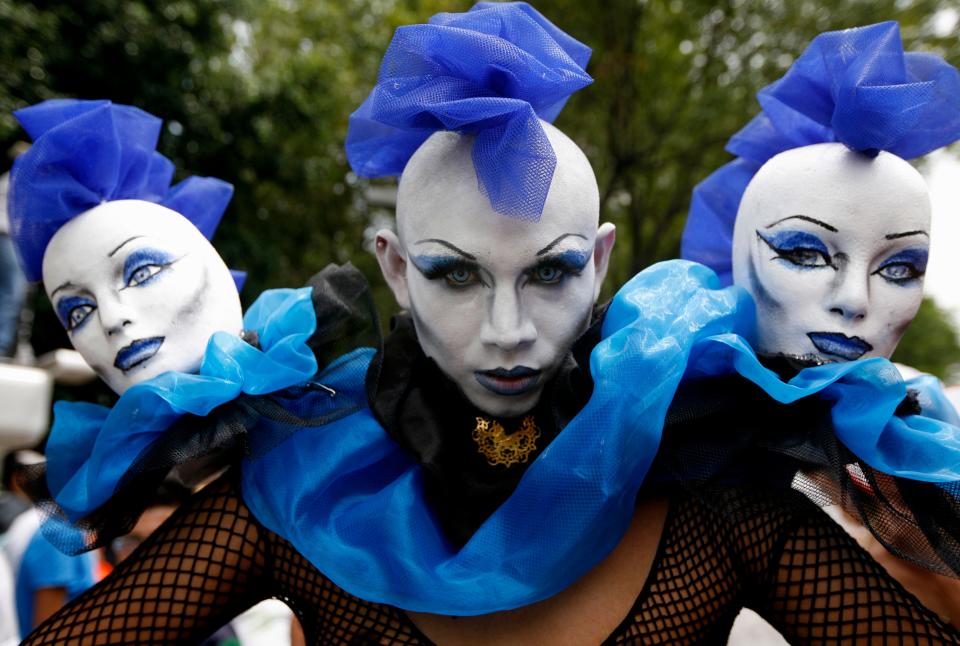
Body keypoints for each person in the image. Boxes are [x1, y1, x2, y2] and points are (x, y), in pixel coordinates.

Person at [19, 5, 960, 644]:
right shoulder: (293, 492)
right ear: (394, 268)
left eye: (549, 273)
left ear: (599, 263)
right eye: (456, 276)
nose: (508, 330)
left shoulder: (721, 492)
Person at [682, 20, 960, 627]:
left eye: (900, 267)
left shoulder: (922, 444)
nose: (854, 302)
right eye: (805, 254)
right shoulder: (662, 409)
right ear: (737, 259)